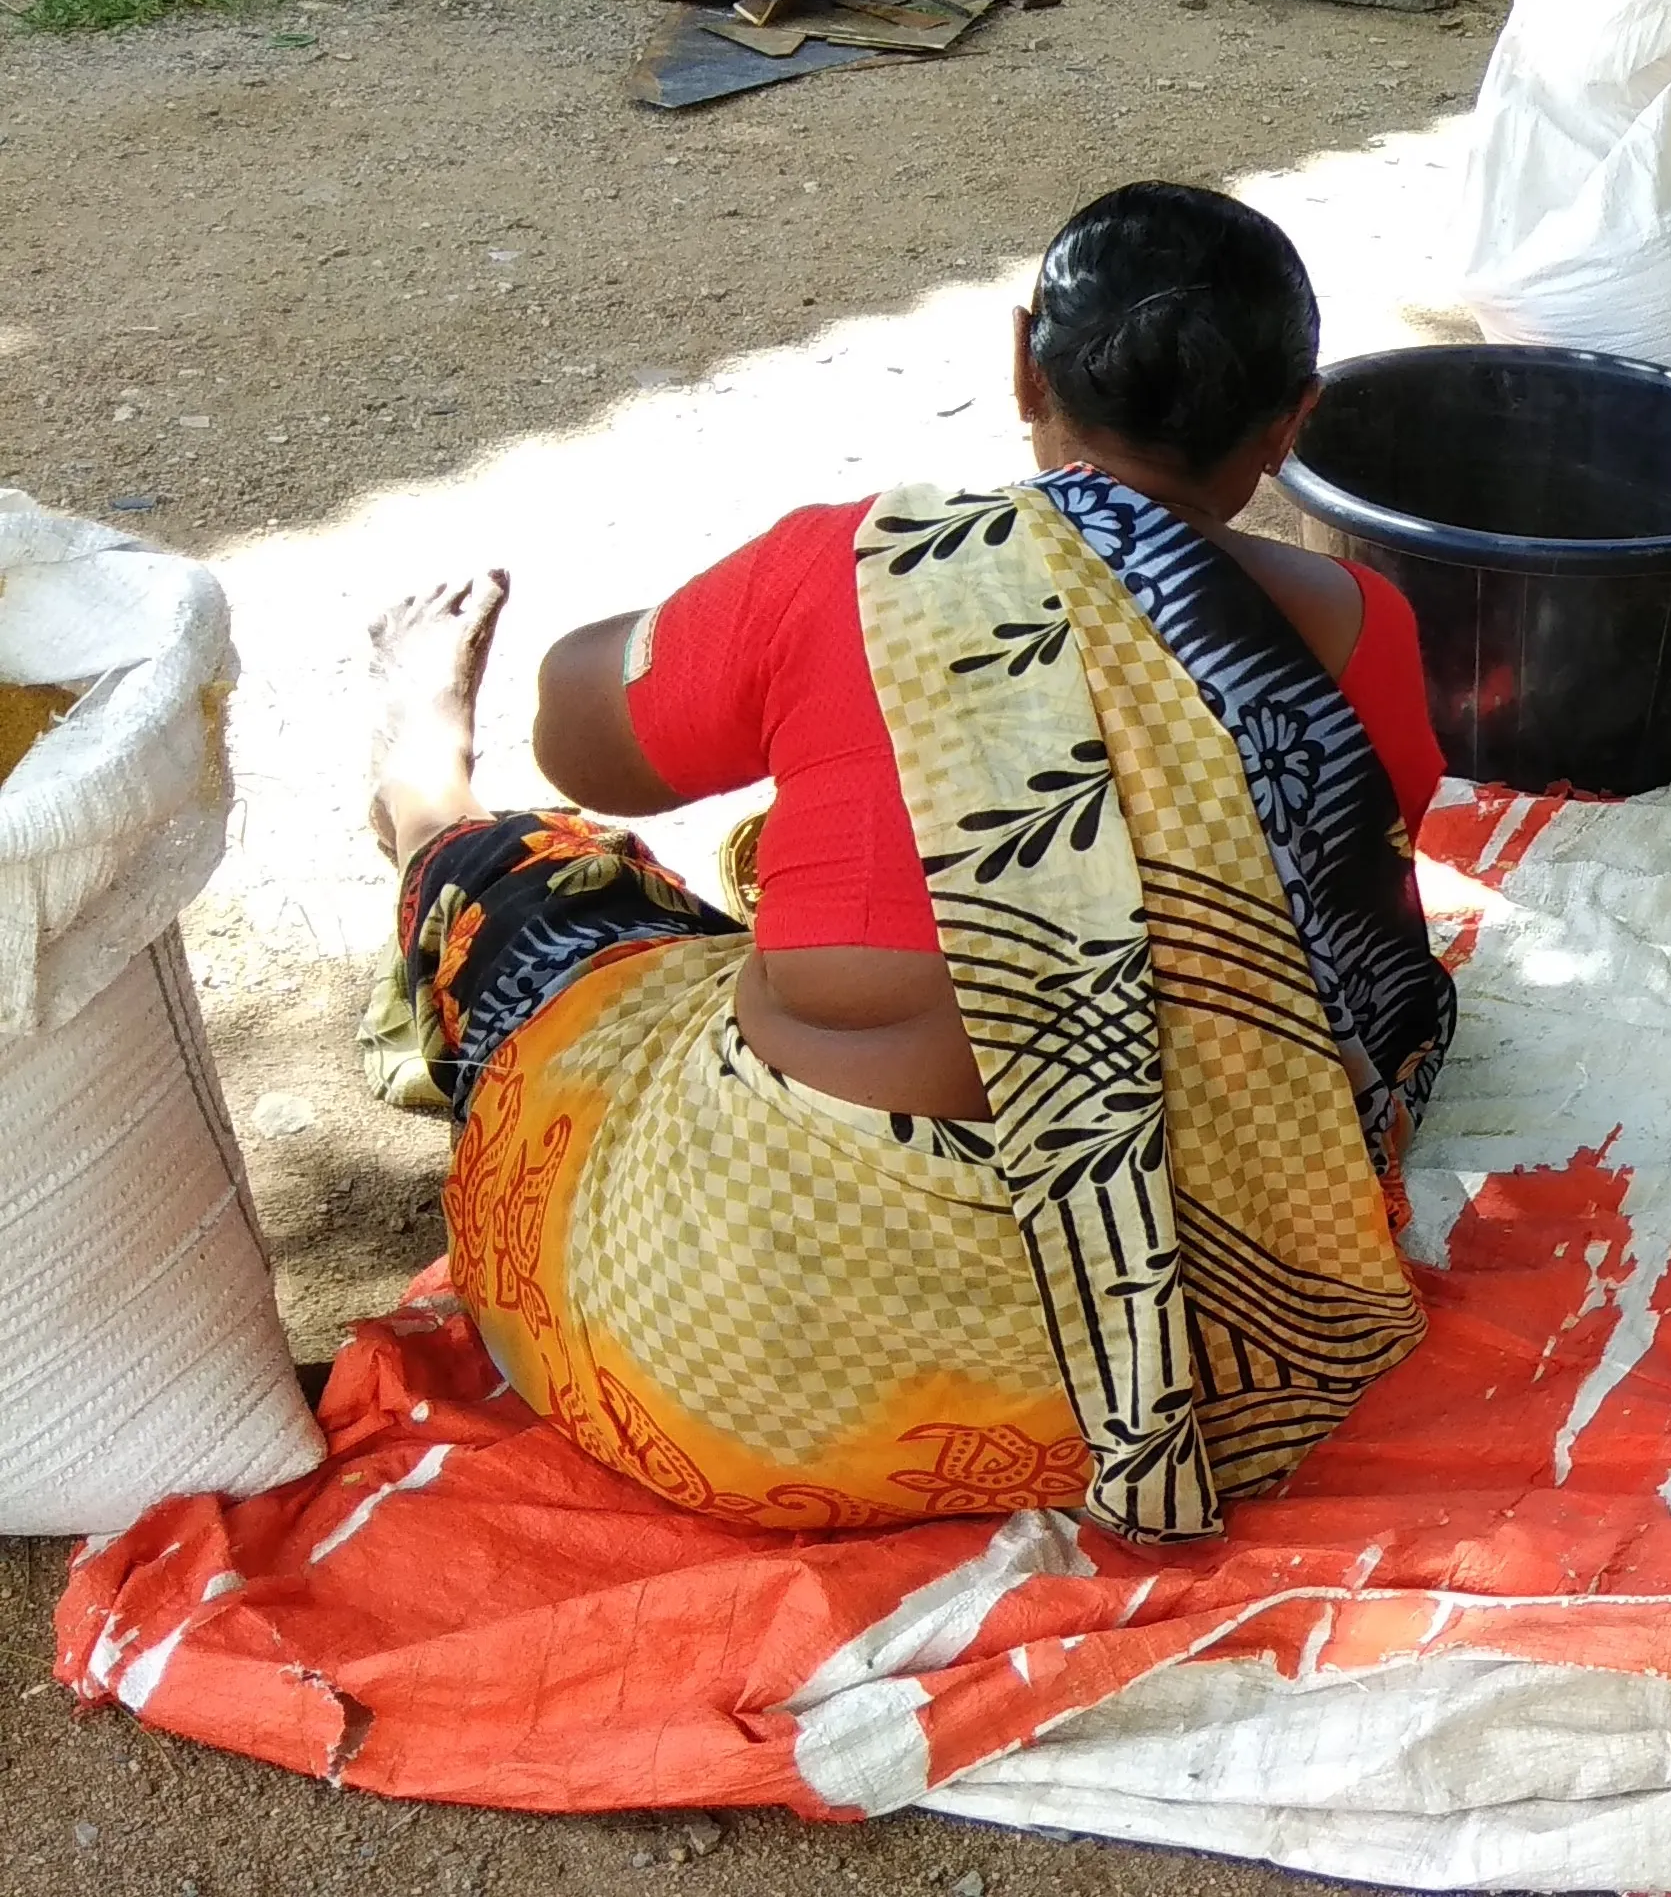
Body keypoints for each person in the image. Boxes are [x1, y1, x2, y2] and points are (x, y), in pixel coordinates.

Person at [359, 182, 1456, 1544]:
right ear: (1290, 428)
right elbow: (1358, 902)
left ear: (1019, 364)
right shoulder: (1356, 629)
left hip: (721, 1376)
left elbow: (585, 744)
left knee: (543, 872)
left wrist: (753, 630)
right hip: (1175, 1363)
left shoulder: (864, 569)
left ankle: (420, 780)